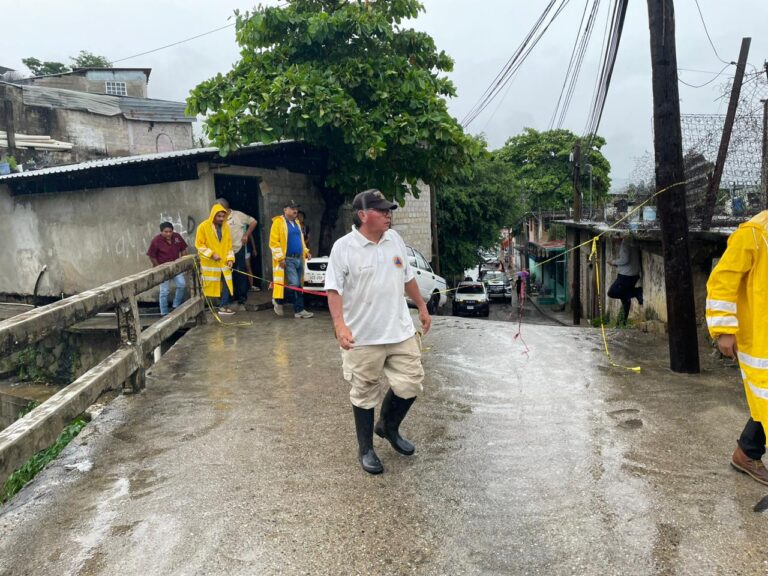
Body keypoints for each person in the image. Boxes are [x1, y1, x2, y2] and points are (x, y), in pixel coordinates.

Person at [325, 189, 432, 475]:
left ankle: (388, 426)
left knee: (411, 383)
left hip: (399, 330)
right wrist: (339, 325)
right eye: (382, 210)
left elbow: (407, 278)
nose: (388, 215)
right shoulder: (344, 248)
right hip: (363, 336)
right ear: (362, 215)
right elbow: (333, 289)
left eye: (389, 210)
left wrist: (421, 306)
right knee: (364, 392)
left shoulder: (394, 239)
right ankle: (366, 449)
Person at [706, 210, 768, 485]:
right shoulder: (754, 233)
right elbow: (722, 282)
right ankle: (747, 453)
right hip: (760, 337)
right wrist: (724, 331)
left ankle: (746, 452)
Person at [269, 200, 313, 319]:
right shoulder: (278, 223)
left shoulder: (297, 223)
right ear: (285, 210)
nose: (295, 210)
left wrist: (306, 252)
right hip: (288, 259)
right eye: (292, 208)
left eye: (296, 208)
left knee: (298, 285)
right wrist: (280, 258)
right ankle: (298, 310)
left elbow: (301, 241)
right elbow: (274, 243)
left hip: (299, 258)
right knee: (295, 285)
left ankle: (278, 300)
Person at [216, 198, 257, 311]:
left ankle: (242, 298)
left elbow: (253, 222)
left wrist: (246, 235)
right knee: (227, 276)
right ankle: (228, 299)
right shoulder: (218, 218)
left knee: (240, 273)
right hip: (224, 251)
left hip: (238, 249)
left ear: (224, 206)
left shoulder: (238, 215)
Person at [195, 203, 236, 315]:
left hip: (223, 262)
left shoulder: (226, 227)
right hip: (211, 263)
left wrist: (230, 259)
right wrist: (212, 254)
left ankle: (223, 306)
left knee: (227, 284)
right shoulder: (203, 227)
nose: (221, 219)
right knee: (211, 286)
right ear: (213, 215)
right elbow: (199, 245)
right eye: (219, 216)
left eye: (223, 216)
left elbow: (229, 245)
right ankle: (211, 307)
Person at [147, 222, 188, 316]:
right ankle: (164, 313)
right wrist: (159, 267)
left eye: (170, 231)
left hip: (176, 267)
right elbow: (151, 256)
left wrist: (184, 263)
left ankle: (176, 306)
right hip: (163, 268)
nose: (168, 234)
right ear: (161, 232)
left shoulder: (177, 237)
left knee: (182, 284)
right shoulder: (156, 241)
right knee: (164, 291)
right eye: (166, 232)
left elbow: (184, 249)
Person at [608, 237, 643, 324]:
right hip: (633, 274)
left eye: (613, 238)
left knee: (612, 292)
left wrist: (613, 262)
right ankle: (622, 321)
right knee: (625, 298)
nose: (613, 241)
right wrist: (618, 266)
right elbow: (630, 261)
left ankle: (637, 292)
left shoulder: (625, 244)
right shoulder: (632, 243)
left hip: (626, 276)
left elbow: (625, 260)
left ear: (618, 237)